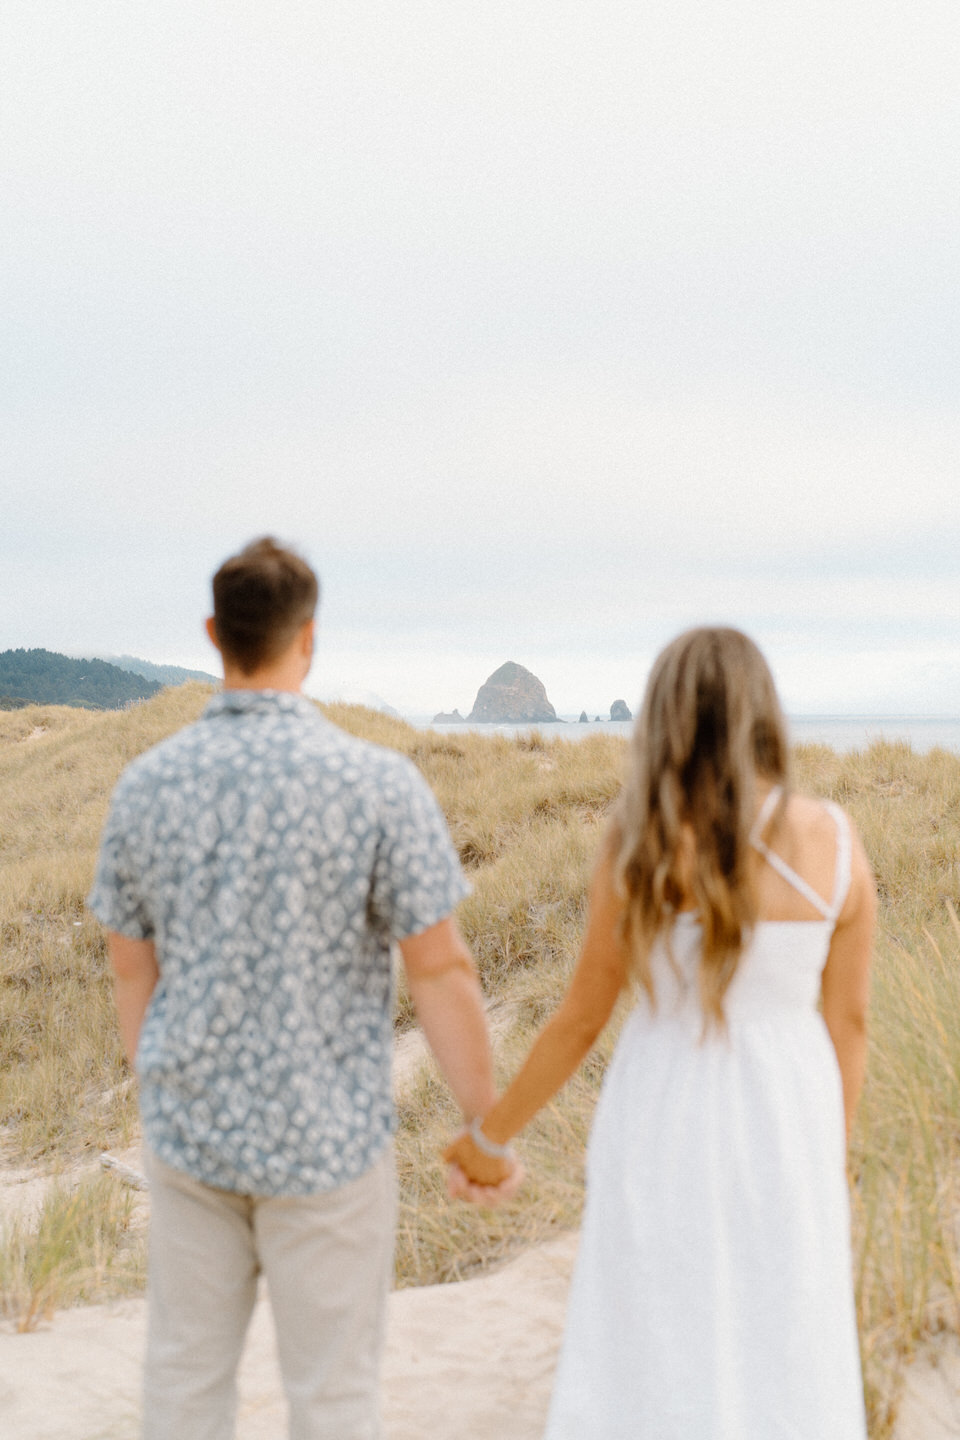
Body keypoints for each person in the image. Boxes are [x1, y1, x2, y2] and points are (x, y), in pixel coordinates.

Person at [88, 536, 520, 1440]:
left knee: (183, 1383)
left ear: (215, 632)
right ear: (309, 639)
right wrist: (485, 1122)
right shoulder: (377, 783)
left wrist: (159, 1095)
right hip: (327, 1143)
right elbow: (440, 967)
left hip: (192, 1133)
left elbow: (132, 969)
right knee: (332, 1397)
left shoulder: (145, 786)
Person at [445, 626, 875, 1439]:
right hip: (791, 1115)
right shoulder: (838, 843)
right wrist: (834, 1158)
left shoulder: (637, 843)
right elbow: (848, 1022)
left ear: (664, 720)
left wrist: (489, 1136)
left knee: (654, 1326)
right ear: (764, 714)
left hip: (664, 1105)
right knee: (783, 1331)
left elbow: (580, 1018)